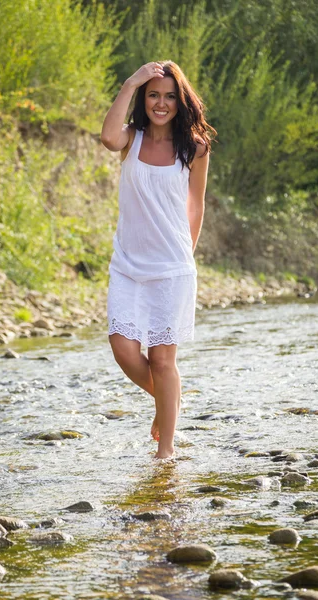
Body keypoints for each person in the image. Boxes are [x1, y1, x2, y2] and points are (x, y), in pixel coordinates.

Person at [101, 61, 215, 459]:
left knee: (164, 361)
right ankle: (170, 403)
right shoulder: (130, 139)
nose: (161, 103)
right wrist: (131, 80)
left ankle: (165, 453)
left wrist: (186, 253)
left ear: (180, 101)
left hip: (172, 266)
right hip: (128, 265)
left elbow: (195, 205)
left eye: (169, 96)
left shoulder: (195, 147)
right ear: (143, 99)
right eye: (153, 95)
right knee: (123, 347)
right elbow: (106, 136)